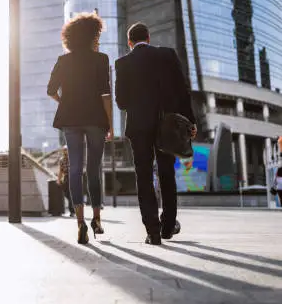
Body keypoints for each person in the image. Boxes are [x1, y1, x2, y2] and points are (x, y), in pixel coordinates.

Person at [115, 22, 196, 245]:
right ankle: (168, 225)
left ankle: (152, 231)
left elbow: (121, 103)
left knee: (143, 176)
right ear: (148, 38)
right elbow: (182, 90)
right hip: (166, 125)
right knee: (166, 173)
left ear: (130, 43)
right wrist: (191, 121)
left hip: (139, 127)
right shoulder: (167, 55)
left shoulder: (122, 63)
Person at [47, 12, 113, 244]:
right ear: (92, 35)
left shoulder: (63, 60)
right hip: (96, 119)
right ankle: (97, 219)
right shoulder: (101, 59)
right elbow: (106, 95)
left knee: (75, 170)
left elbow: (51, 90)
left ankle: (80, 223)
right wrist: (110, 125)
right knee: (94, 170)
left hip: (70, 120)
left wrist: (64, 102)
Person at [57, 147, 75, 217]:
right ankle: (73, 206)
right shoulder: (61, 160)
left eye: (66, 150)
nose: (65, 151)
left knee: (70, 194)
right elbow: (61, 171)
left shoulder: (73, 158)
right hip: (66, 177)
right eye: (64, 150)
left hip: (73, 177)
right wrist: (59, 179)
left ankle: (72, 211)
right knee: (66, 193)